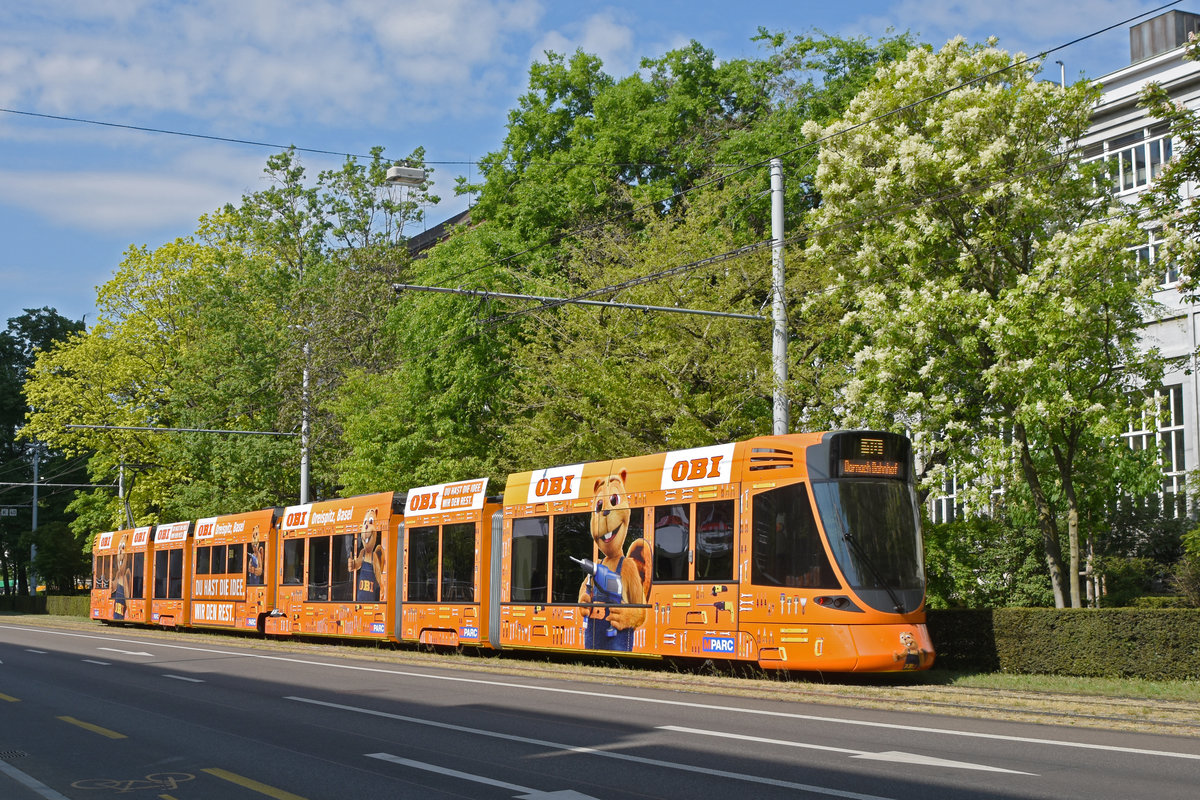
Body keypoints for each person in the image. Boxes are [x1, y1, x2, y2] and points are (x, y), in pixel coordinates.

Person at [348, 509, 385, 602]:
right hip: (361, 595)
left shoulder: (374, 557)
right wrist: (351, 563)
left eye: (370, 522)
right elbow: (357, 564)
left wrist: (382, 587)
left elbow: (377, 573)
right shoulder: (363, 553)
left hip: (370, 595)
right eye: (365, 523)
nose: (366, 526)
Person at [110, 534, 132, 620]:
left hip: (121, 610)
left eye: (122, 548)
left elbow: (127, 595)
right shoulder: (118, 574)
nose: (120, 552)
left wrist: (129, 610)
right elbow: (113, 587)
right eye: (119, 548)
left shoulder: (127, 573)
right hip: (117, 609)